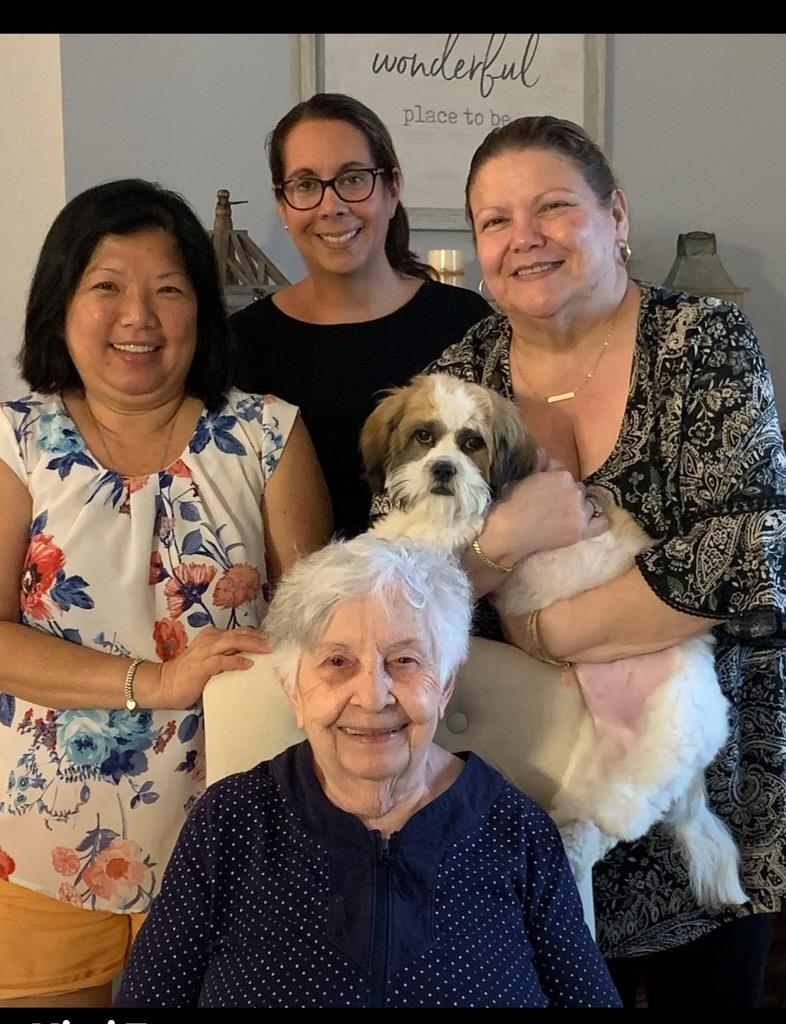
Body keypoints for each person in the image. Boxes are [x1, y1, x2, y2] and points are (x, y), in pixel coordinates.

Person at [414, 115, 786, 1008]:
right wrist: (506, 542)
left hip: (710, 766)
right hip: (537, 785)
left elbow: (751, 555)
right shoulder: (456, 382)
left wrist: (543, 624)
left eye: (553, 207)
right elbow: (411, 592)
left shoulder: (701, 342)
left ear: (615, 216)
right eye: (495, 221)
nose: (524, 239)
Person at [0, 178, 332, 1008]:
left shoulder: (268, 435)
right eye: (107, 286)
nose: (138, 317)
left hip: (234, 843)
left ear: (202, 311)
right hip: (36, 850)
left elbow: (322, 637)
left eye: (169, 290)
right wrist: (154, 682)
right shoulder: (14, 441)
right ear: (61, 304)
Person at [116, 535, 621, 1008]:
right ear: (293, 690)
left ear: (444, 687)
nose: (373, 696)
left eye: (403, 660)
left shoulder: (517, 829)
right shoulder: (231, 820)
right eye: (337, 662)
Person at [230, 93, 491, 538]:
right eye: (306, 184)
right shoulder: (241, 344)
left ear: (392, 189)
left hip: (448, 592)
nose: (331, 206)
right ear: (283, 204)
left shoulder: (466, 323)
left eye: (352, 179)